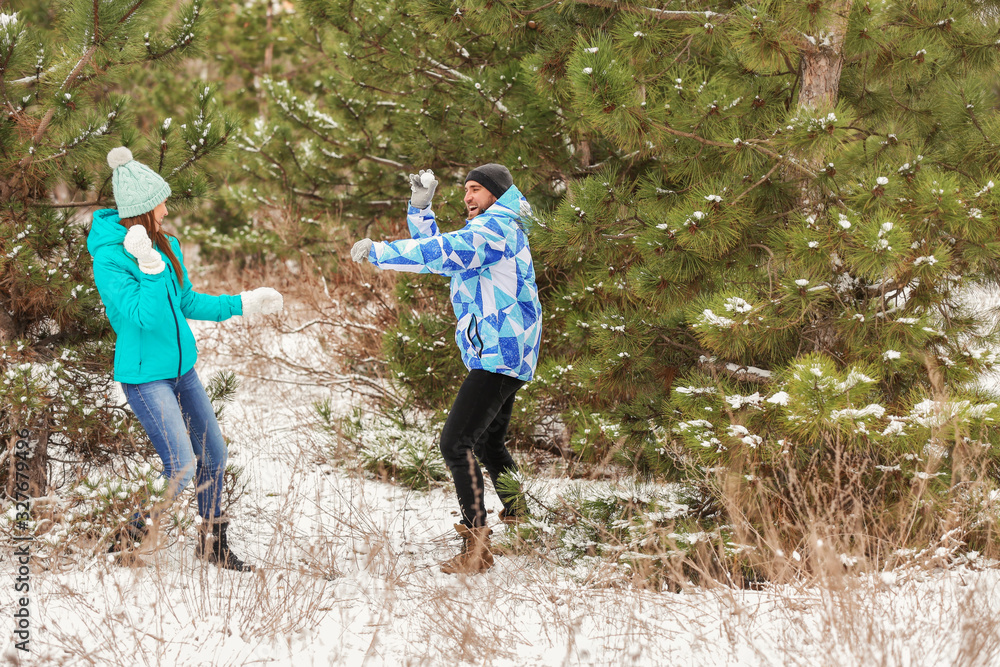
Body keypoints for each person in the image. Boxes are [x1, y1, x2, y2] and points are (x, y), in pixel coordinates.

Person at [87, 146, 283, 571]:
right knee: (179, 465)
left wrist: (243, 303)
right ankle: (126, 541)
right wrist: (150, 268)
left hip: (182, 371)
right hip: (144, 377)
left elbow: (187, 301)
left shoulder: (167, 242)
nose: (166, 206)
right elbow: (143, 318)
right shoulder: (110, 257)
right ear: (142, 208)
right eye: (161, 200)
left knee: (214, 455)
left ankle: (212, 544)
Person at [351, 163, 542, 574]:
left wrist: (382, 252)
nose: (468, 197)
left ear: (496, 193)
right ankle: (521, 522)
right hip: (505, 349)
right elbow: (447, 256)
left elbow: (441, 254)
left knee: (455, 443)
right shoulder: (495, 226)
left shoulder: (498, 229)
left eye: (476, 190)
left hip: (500, 349)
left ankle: (476, 548)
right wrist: (421, 210)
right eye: (466, 190)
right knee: (489, 442)